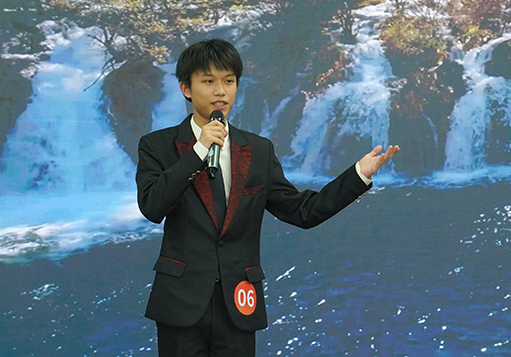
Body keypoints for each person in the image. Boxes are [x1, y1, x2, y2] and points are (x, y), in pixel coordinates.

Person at [136, 39, 399, 356]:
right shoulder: (156, 146)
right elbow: (152, 206)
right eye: (208, 81)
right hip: (181, 303)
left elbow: (302, 211)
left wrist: (358, 175)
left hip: (239, 302)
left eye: (229, 81)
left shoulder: (258, 151)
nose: (220, 92)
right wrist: (199, 150)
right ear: (185, 88)